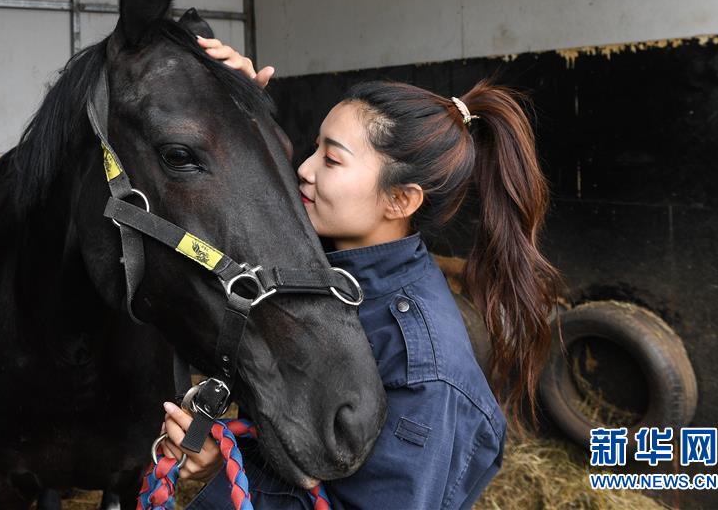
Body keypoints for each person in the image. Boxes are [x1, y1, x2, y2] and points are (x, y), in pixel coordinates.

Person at [154, 36, 564, 509]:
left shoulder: (425, 374)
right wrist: (234, 110)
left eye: (331, 159)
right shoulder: (316, 278)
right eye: (314, 148)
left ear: (400, 200)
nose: (303, 170)